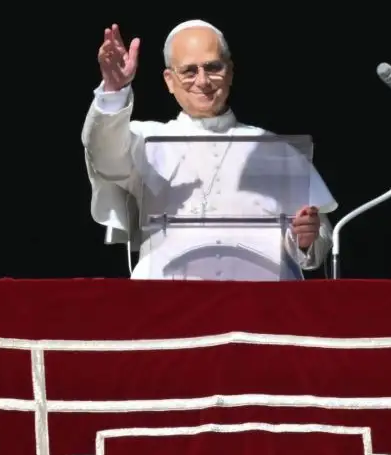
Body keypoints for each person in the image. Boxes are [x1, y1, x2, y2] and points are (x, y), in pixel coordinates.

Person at [82, 21, 335, 280]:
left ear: (230, 71)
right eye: (189, 71)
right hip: (169, 304)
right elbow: (104, 154)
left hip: (261, 309)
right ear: (169, 81)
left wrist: (306, 238)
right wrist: (113, 91)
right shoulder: (145, 140)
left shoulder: (276, 150)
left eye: (213, 67)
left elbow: (319, 239)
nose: (203, 81)